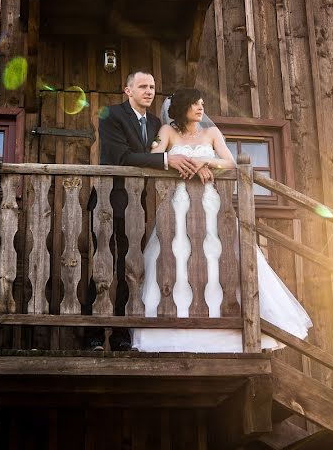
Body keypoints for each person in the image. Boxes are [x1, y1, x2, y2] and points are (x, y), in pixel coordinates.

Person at [131, 88, 312, 352]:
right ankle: (170, 329)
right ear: (182, 107)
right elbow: (157, 155)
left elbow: (230, 162)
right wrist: (180, 161)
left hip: (209, 201)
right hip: (178, 202)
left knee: (218, 255)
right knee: (175, 257)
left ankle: (224, 325)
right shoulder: (168, 132)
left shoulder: (211, 133)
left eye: (202, 104)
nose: (200, 109)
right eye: (195, 104)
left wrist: (205, 162)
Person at [88, 70, 199, 350]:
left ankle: (123, 336)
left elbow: (157, 154)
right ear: (128, 91)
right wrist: (165, 160)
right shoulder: (111, 115)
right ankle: (92, 337)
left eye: (152, 86)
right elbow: (121, 156)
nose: (149, 91)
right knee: (103, 267)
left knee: (130, 268)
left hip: (137, 205)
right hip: (107, 200)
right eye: (142, 87)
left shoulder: (155, 122)